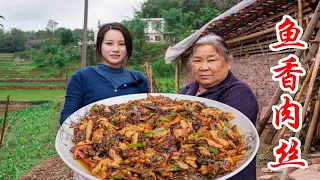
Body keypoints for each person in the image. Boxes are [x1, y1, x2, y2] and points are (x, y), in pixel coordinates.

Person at [180, 34, 259, 180]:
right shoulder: (186, 92)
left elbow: (227, 139)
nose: (204, 67)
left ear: (228, 63)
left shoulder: (239, 93)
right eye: (197, 61)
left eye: (211, 60)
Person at [59, 22, 149, 125]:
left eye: (121, 44)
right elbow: (66, 118)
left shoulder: (139, 79)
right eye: (109, 43)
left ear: (127, 48)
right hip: (95, 139)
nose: (115, 49)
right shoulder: (81, 78)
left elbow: (149, 114)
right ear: (100, 46)